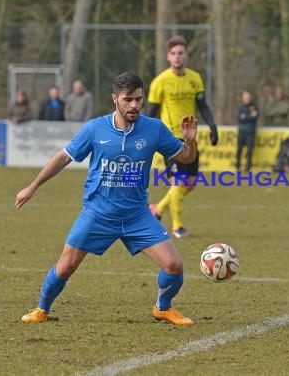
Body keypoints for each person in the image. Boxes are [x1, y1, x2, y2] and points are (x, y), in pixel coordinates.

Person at [16, 72, 197, 326]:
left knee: (174, 265)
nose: (134, 105)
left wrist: (190, 142)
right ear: (115, 99)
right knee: (65, 267)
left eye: (138, 99)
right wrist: (32, 186)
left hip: (137, 215)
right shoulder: (95, 128)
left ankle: (163, 308)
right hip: (97, 214)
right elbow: (64, 157)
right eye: (128, 99)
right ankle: (42, 309)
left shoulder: (154, 128)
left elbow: (186, 158)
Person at [147, 35, 219, 239]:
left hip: (190, 138)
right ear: (168, 57)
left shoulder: (195, 78)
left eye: (180, 53)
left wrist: (212, 125)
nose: (177, 57)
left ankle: (157, 210)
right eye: (173, 54)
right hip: (169, 138)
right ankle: (177, 227)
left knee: (191, 183)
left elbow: (202, 105)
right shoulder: (160, 81)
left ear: (186, 56)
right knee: (179, 182)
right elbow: (151, 112)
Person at [235, 90, 259, 172]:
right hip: (241, 131)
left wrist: (245, 116)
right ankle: (237, 167)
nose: (247, 98)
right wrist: (249, 116)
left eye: (248, 96)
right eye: (245, 96)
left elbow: (255, 117)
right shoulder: (240, 107)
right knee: (239, 149)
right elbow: (239, 117)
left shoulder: (253, 107)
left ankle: (247, 168)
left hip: (250, 131)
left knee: (249, 150)